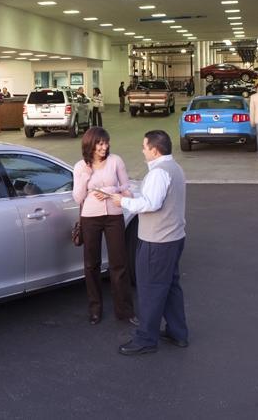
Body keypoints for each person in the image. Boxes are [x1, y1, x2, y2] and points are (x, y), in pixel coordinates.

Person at [107, 130, 188, 356]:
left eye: (144, 147)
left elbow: (151, 203)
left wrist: (121, 201)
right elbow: (156, 198)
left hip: (157, 241)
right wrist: (132, 193)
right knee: (170, 286)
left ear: (154, 149)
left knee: (150, 289)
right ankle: (178, 331)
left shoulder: (159, 173)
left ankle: (146, 338)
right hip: (174, 238)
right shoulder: (175, 169)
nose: (142, 150)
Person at [72, 127, 135, 326]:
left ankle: (124, 311)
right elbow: (78, 197)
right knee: (92, 265)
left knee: (119, 263)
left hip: (114, 216)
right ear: (90, 144)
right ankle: (95, 309)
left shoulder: (116, 161)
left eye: (106, 143)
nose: (104, 147)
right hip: (90, 217)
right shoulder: (81, 166)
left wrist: (109, 191)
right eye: (100, 144)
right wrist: (86, 176)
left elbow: (126, 189)